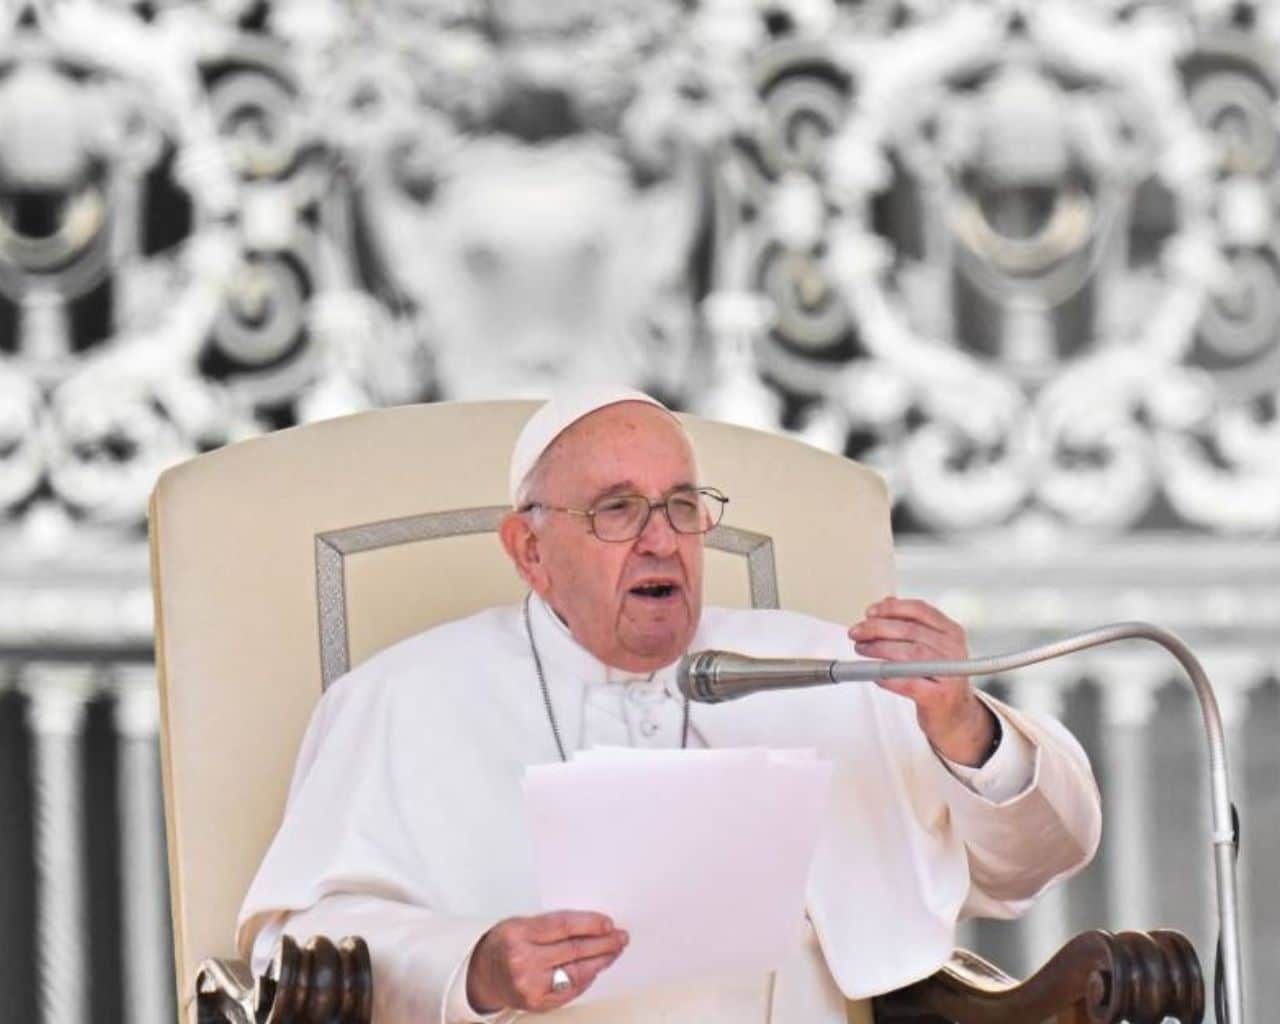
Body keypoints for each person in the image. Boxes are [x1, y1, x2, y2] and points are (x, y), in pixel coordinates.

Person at [238, 389, 1102, 1023]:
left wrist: (962, 725)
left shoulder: (828, 669)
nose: (661, 540)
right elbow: (299, 951)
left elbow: (1041, 858)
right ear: (530, 550)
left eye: (681, 507)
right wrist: (474, 967)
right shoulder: (406, 697)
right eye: (617, 511)